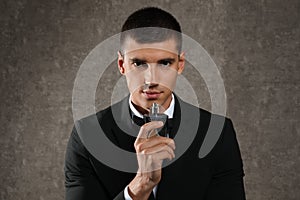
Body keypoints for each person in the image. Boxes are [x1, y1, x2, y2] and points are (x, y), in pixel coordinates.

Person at [65, 7, 246, 200]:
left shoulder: (217, 133)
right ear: (121, 65)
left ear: (180, 64)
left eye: (165, 63)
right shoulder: (87, 135)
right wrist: (139, 187)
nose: (151, 79)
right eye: (139, 63)